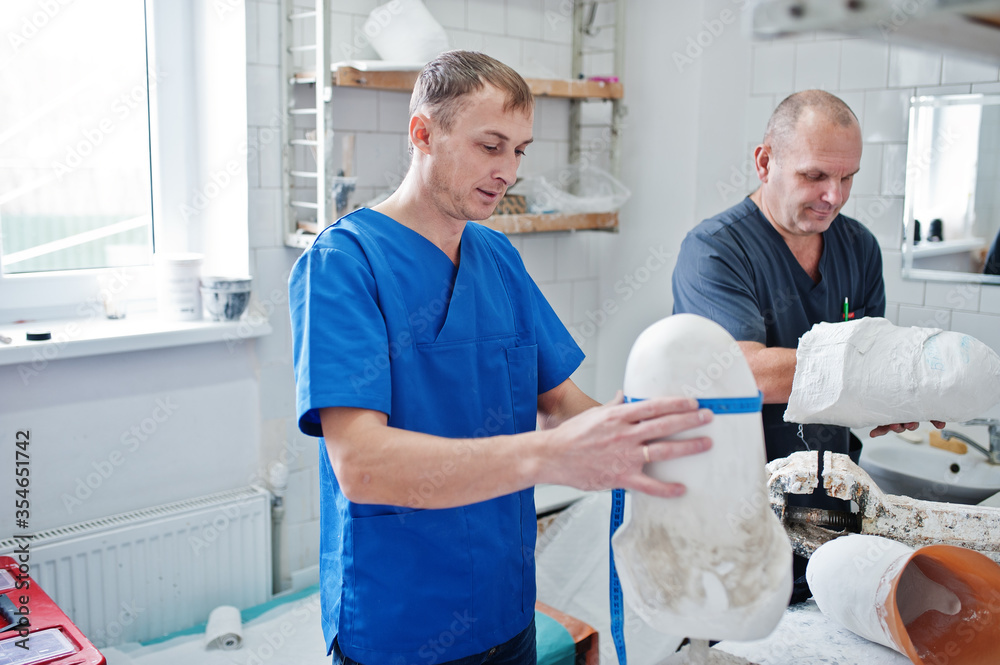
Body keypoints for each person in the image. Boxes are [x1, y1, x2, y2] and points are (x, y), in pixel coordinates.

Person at [288, 50, 713, 665]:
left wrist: (646, 445)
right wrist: (553, 457)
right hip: (400, 624)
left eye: (520, 150)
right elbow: (363, 466)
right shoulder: (344, 265)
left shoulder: (498, 259)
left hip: (505, 609)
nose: (509, 171)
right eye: (491, 146)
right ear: (423, 133)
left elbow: (561, 402)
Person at [671, 90, 941, 603]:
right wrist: (892, 376)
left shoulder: (857, 246)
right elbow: (746, 371)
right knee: (738, 641)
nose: (834, 196)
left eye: (847, 177)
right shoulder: (715, 250)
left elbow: (871, 357)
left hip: (830, 506)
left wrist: (896, 396)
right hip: (738, 512)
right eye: (815, 176)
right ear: (765, 161)